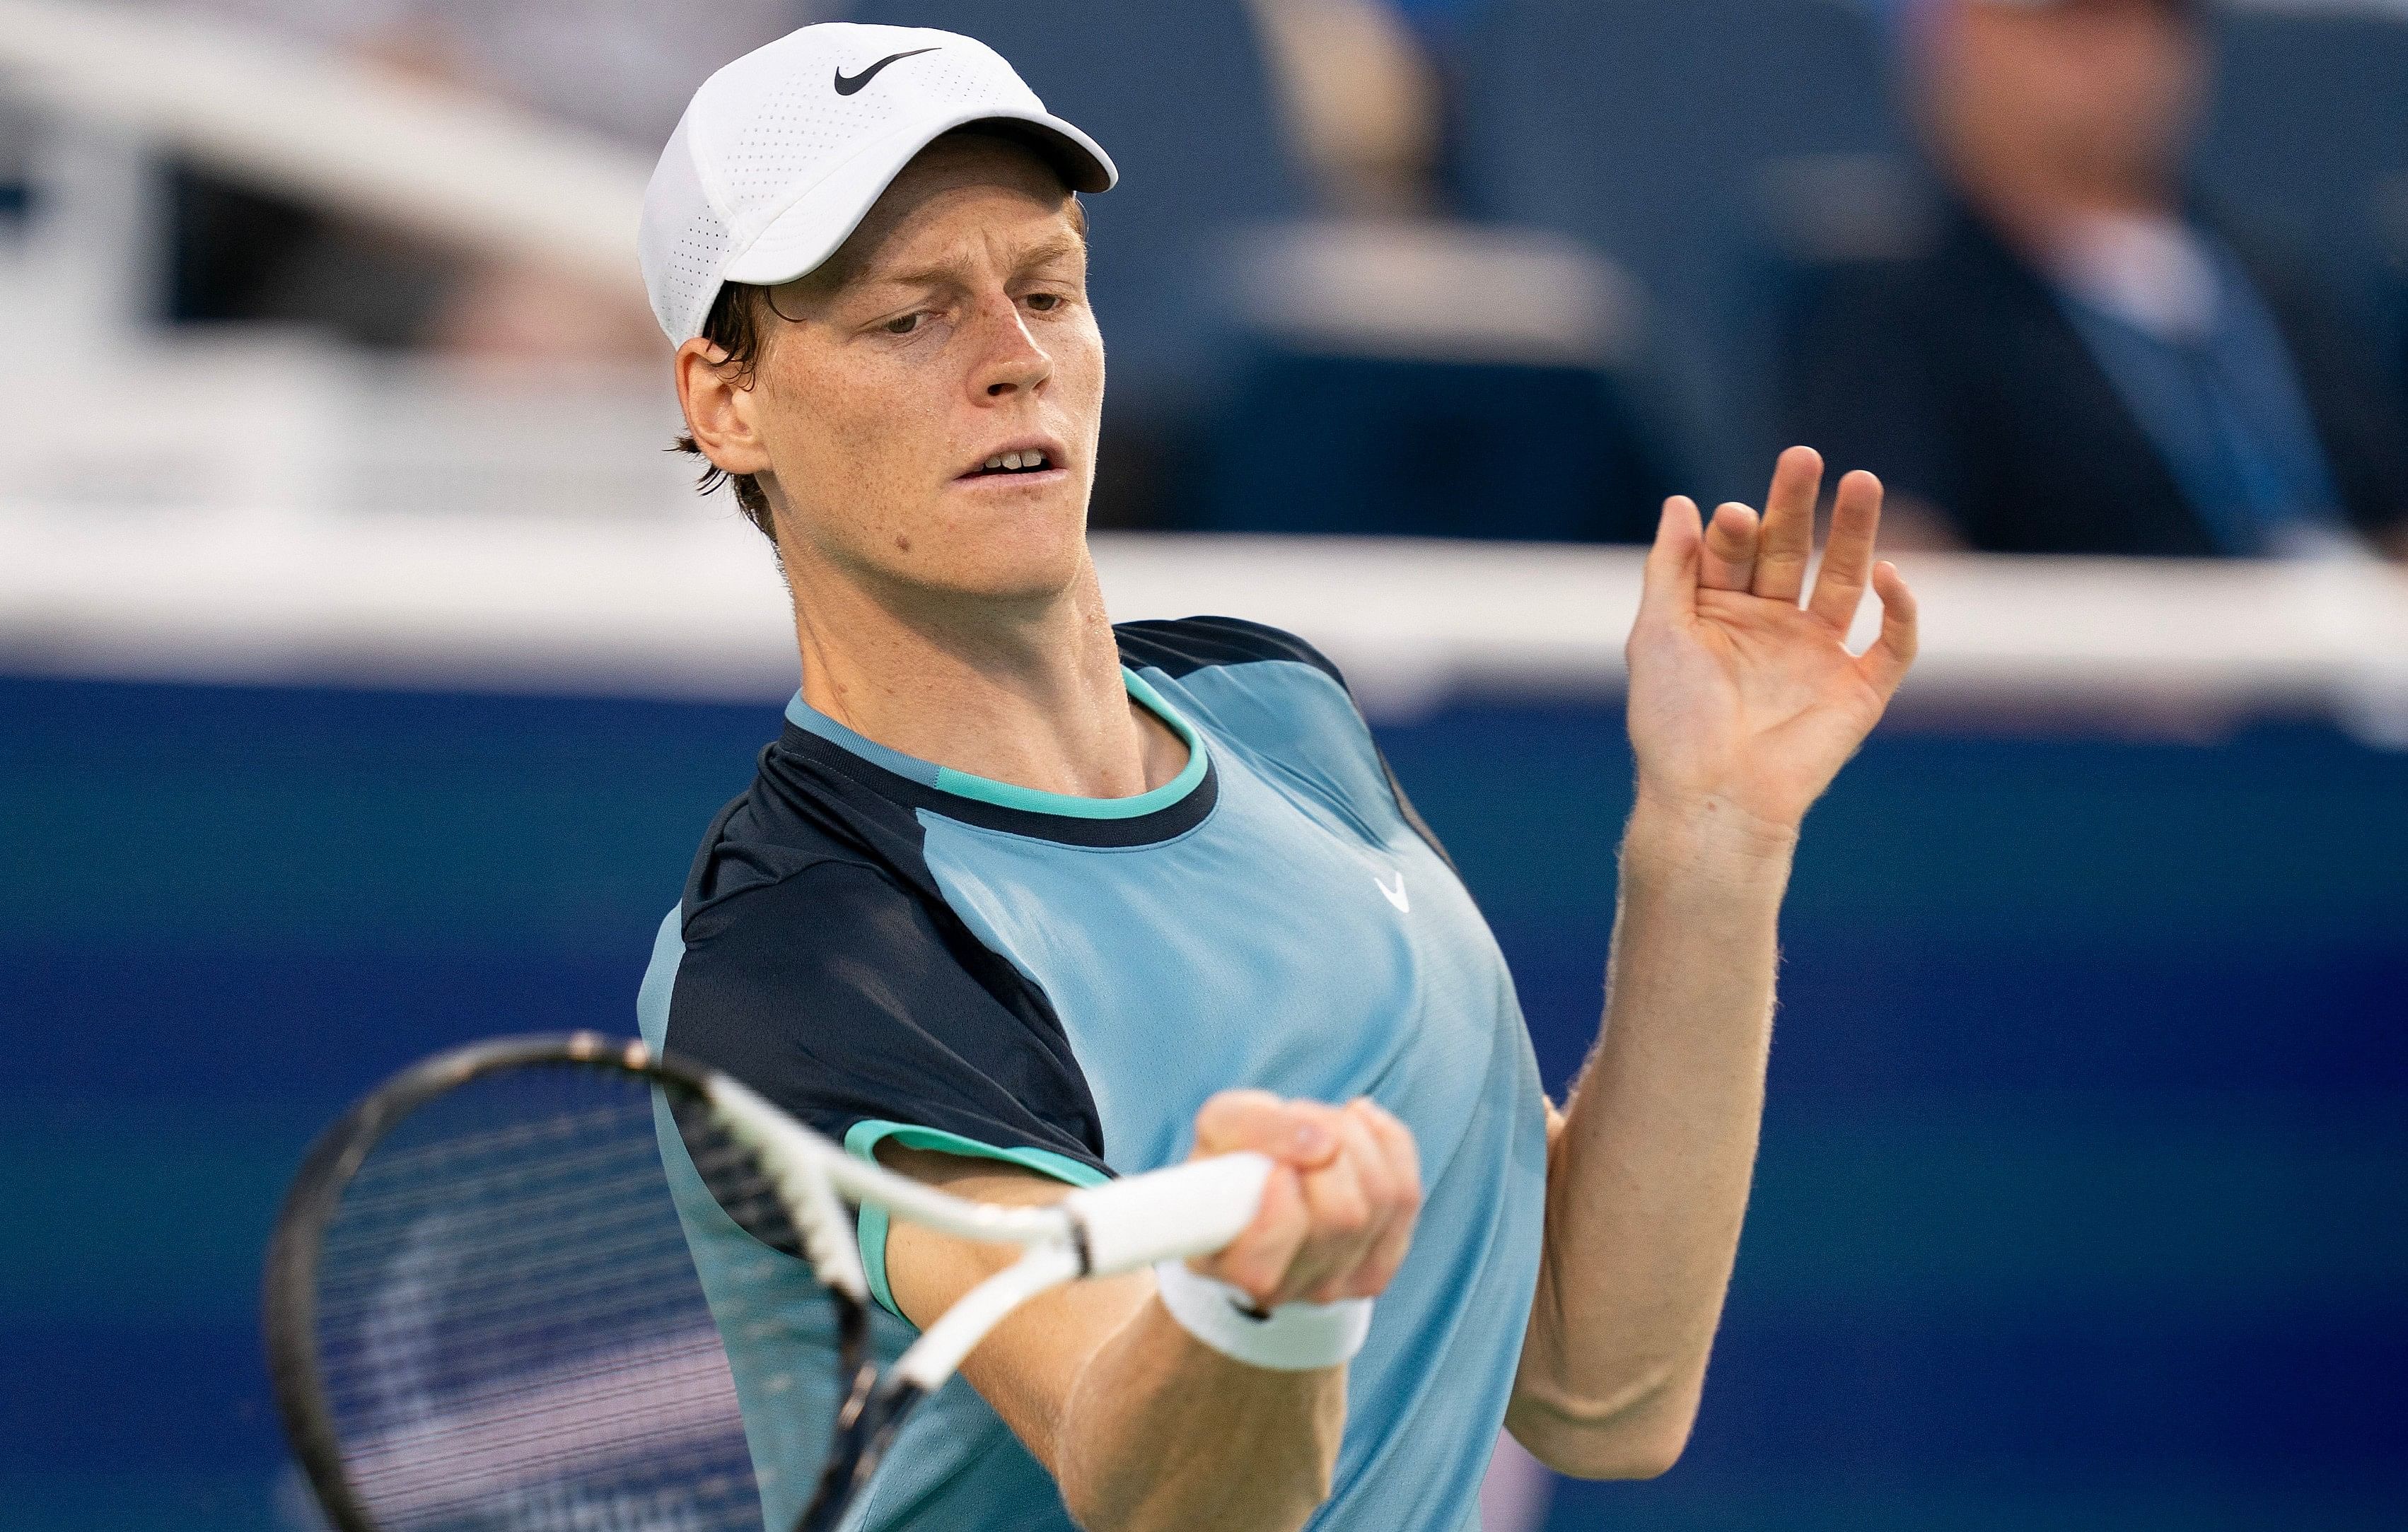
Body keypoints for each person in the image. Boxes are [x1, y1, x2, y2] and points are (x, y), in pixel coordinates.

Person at [636, 23, 1918, 1531]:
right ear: (728, 398)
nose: (1016, 359)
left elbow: (1596, 1379)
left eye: (1048, 291)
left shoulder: (1275, 706)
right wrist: (1272, 1311)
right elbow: (1167, 1497)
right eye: (912, 319)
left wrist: (1714, 834)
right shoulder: (805, 950)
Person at [1785, 0, 2408, 559]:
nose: (2115, 52)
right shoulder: (1889, 303)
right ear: (1951, 41)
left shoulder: (2279, 289)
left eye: (2148, 18)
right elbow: (1888, 561)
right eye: (2068, 21)